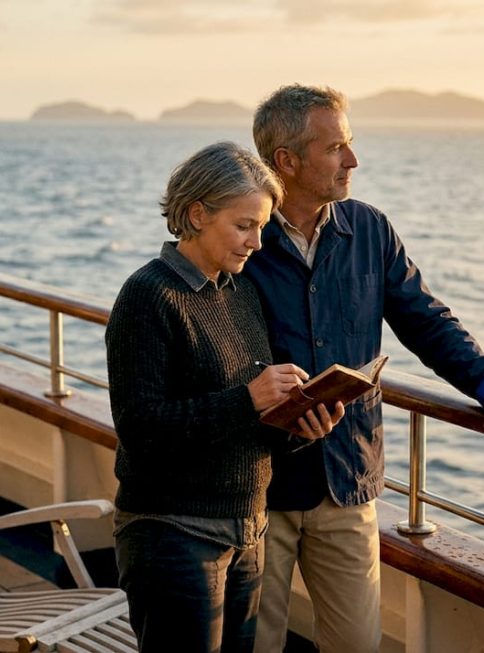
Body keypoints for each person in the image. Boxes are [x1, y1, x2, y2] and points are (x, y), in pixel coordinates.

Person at [243, 85, 484, 653]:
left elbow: (427, 321)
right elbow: (207, 343)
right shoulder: (241, 236)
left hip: (347, 477)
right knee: (254, 644)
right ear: (287, 161)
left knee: (357, 644)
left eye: (348, 144)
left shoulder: (370, 229)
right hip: (259, 481)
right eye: (335, 149)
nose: (352, 160)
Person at [105, 141, 345, 653]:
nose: (257, 243)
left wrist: (301, 426)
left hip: (248, 530)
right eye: (244, 226)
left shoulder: (238, 294)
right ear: (196, 214)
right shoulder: (148, 296)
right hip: (174, 535)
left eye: (261, 227)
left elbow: (248, 420)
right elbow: (141, 429)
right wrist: (249, 400)